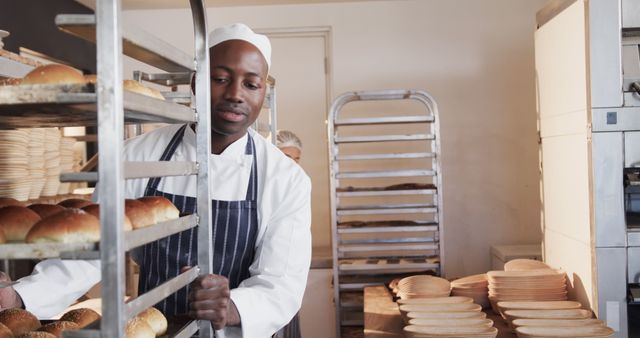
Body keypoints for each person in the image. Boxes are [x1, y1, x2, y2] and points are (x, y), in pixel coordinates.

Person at [0, 23, 312, 338]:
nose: (235, 94)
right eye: (220, 79)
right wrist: (22, 296)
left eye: (251, 84)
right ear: (195, 82)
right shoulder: (137, 156)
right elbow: (94, 249)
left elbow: (281, 282)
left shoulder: (284, 178)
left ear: (263, 92)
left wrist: (235, 307)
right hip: (154, 330)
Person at [274, 130, 303, 338]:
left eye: (297, 159)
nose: (292, 164)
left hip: (289, 284)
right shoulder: (265, 186)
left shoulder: (299, 186)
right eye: (286, 157)